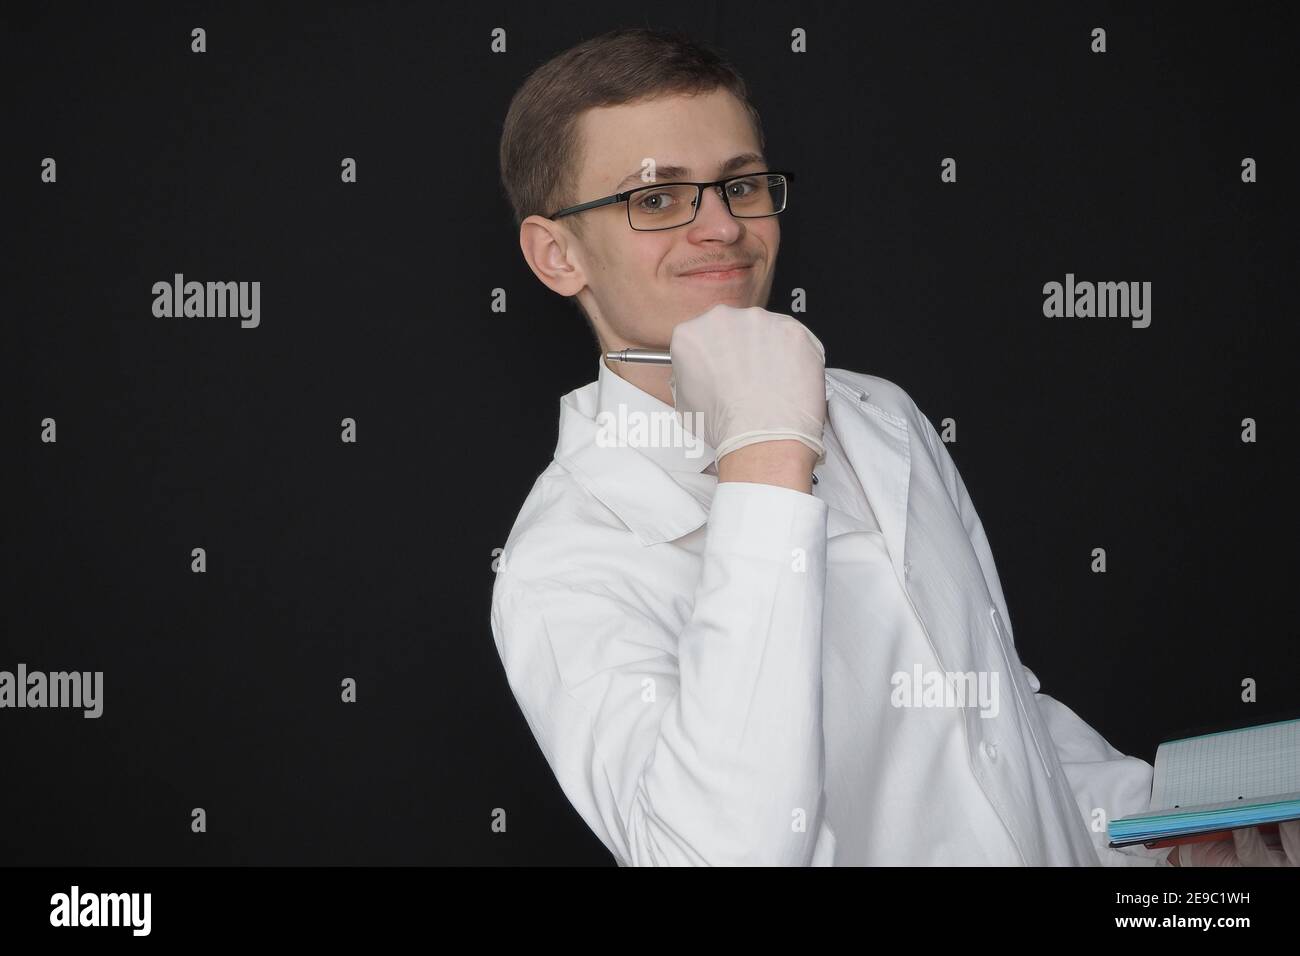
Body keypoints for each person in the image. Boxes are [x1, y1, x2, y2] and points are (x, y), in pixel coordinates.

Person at [490, 26, 1297, 866]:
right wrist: (764, 457)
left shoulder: (883, 414)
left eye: (742, 185)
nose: (723, 229)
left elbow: (992, 722)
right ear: (557, 255)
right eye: (655, 200)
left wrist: (1160, 842)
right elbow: (723, 852)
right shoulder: (564, 561)